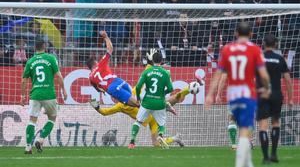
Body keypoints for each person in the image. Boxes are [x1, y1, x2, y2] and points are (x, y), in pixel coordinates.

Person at [90, 49, 193, 147]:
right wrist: (96, 106)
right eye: (114, 97)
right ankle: (176, 138)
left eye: (115, 96)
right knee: (156, 144)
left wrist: (150, 60)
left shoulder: (132, 93)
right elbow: (104, 112)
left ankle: (189, 89)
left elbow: (148, 69)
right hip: (151, 120)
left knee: (171, 99)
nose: (115, 98)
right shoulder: (120, 107)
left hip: (152, 105)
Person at [205, 22, 270, 167]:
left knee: (233, 120)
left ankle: (246, 161)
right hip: (248, 93)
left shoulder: (228, 49)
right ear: (251, 34)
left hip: (233, 94)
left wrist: (211, 94)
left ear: (236, 33)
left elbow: (220, 74)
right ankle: (240, 163)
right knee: (246, 129)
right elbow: (263, 75)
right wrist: (267, 88)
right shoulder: (254, 49)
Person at [21, 38, 67, 154]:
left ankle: (28, 147)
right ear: (44, 47)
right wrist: (64, 90)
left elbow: (24, 81)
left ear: (35, 48)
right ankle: (41, 139)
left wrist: (22, 96)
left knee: (32, 121)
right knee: (52, 118)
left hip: (35, 94)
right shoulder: (51, 58)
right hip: (49, 94)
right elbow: (59, 76)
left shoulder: (30, 61)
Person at [256, 34, 293, 164]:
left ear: (263, 44)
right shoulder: (280, 59)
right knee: (276, 123)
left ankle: (266, 157)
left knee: (263, 126)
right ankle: (274, 154)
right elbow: (288, 80)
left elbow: (252, 78)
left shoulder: (259, 58)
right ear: (276, 45)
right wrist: (290, 98)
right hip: (276, 95)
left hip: (263, 94)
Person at [128, 50, 173, 149]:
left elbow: (139, 86)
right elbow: (171, 89)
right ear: (161, 61)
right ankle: (160, 135)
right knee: (161, 123)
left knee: (138, 121)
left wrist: (139, 98)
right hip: (159, 103)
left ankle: (132, 142)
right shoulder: (165, 73)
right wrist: (162, 94)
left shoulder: (147, 71)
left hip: (147, 102)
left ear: (152, 60)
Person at [87, 31, 140, 107]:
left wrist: (103, 90)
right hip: (118, 81)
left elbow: (96, 88)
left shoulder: (90, 77)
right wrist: (106, 37)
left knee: (135, 105)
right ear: (95, 62)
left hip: (111, 88)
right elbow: (110, 49)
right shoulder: (100, 64)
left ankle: (144, 110)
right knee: (135, 98)